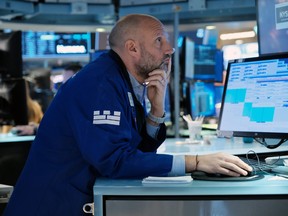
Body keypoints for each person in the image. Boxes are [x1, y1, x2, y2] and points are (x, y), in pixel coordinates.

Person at [4, 14, 252, 216]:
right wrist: (195, 162)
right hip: (51, 207)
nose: (169, 49)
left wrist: (156, 111)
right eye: (159, 41)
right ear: (132, 48)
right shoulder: (100, 84)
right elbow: (115, 160)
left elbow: (138, 150)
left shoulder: (120, 81)